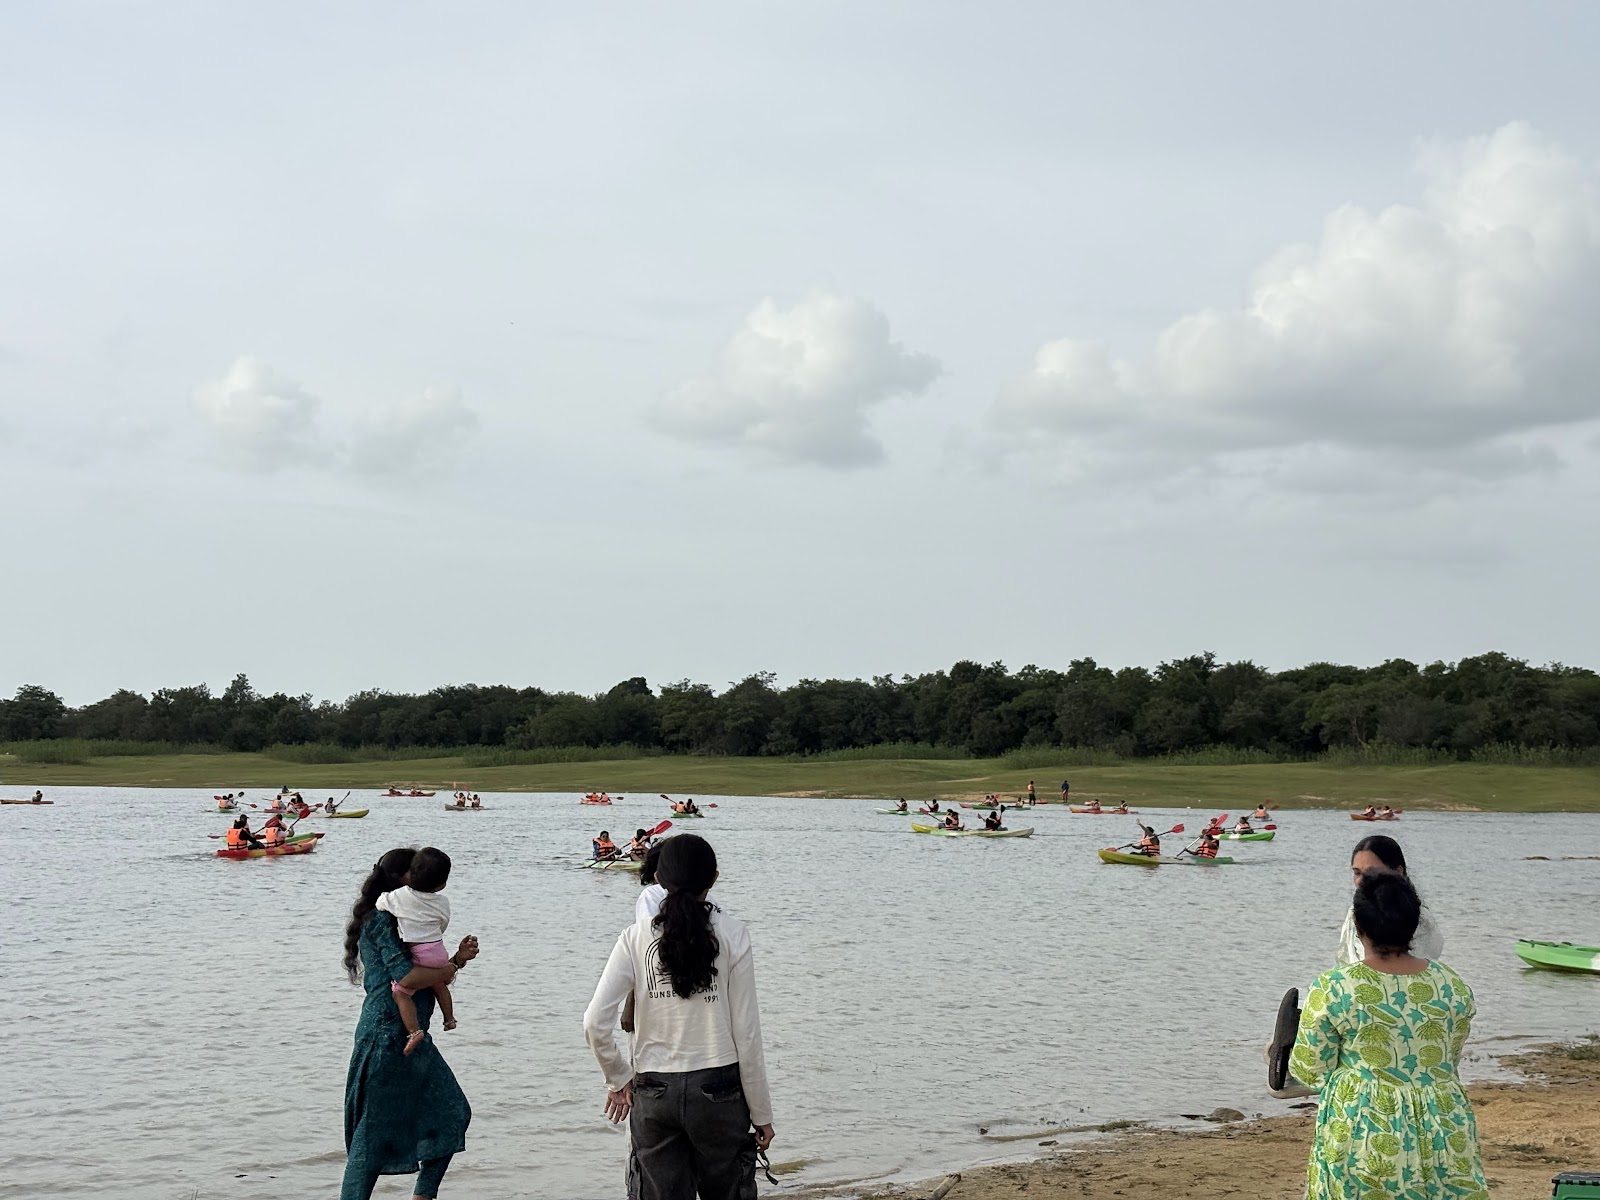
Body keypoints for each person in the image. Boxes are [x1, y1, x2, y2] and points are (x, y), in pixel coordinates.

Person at [584, 834, 774, 1199]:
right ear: (714, 878)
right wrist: (761, 1112)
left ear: (658, 878)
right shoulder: (733, 934)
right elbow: (747, 1033)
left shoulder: (633, 937)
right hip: (719, 1089)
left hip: (654, 1090)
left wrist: (618, 1076)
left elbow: (594, 1023)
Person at [1290, 871, 1485, 1199]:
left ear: (1358, 927)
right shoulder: (1452, 985)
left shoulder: (1334, 987)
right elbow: (1448, 1058)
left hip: (1364, 1124)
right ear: (1414, 924)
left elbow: (1311, 1070)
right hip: (1444, 1122)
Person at [342, 848, 477, 1200]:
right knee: (370, 1140)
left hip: (415, 1035)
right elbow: (407, 975)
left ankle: (423, 1195)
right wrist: (450, 968)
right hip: (385, 1035)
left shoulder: (412, 922)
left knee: (453, 1113)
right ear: (405, 880)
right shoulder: (380, 921)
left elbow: (426, 973)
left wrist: (457, 961)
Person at [376, 847, 459, 1055]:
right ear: (442, 884)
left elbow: (379, 903)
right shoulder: (443, 902)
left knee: (400, 992)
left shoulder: (398, 897)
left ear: (410, 874)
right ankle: (449, 1018)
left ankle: (413, 1031)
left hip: (419, 954)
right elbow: (443, 923)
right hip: (438, 950)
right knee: (439, 984)